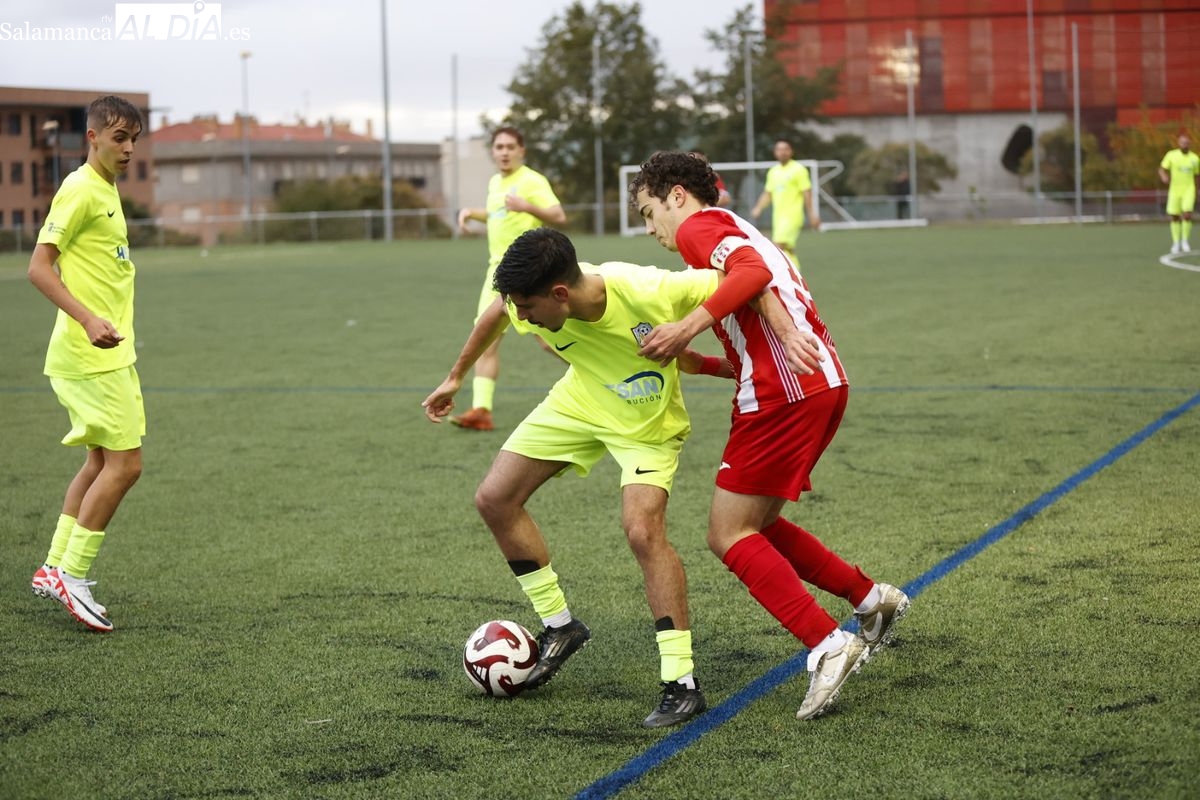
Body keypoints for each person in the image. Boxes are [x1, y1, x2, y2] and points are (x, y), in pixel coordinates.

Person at [628, 150, 910, 721]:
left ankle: (827, 644)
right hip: (819, 384)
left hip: (783, 397)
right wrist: (697, 359)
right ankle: (870, 600)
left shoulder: (699, 228)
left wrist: (685, 324)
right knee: (758, 525)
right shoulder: (735, 228)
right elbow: (755, 307)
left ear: (676, 195)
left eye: (648, 210)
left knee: (727, 534)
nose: (649, 226)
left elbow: (753, 274)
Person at [423, 227, 722, 728]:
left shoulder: (648, 289)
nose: (521, 316)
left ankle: (682, 682)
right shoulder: (527, 302)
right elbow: (497, 309)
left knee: (642, 531)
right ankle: (560, 627)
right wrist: (456, 376)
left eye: (528, 306)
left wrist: (741, 351)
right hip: (579, 403)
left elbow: (748, 276)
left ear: (559, 294)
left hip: (646, 424)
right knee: (494, 498)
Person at [27, 96, 147, 633]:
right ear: (92, 137)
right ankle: (71, 576)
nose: (128, 148)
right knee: (126, 466)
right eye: (119, 137)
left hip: (107, 354)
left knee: (100, 464)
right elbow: (38, 267)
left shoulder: (106, 189)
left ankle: (54, 565)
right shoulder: (78, 189)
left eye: (134, 139)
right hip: (91, 356)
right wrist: (87, 319)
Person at [453, 127, 566, 431]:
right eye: (499, 147)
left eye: (510, 147)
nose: (503, 152)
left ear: (521, 151)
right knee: (486, 339)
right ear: (493, 151)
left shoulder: (532, 180)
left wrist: (528, 206)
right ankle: (481, 410)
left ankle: (605, 374)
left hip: (528, 271)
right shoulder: (495, 182)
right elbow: (497, 215)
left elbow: (558, 216)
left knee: (548, 341)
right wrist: (470, 213)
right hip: (496, 273)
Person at [749, 139, 820, 266]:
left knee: (778, 246)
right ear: (775, 153)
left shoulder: (798, 169)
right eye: (779, 150)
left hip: (793, 216)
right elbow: (768, 193)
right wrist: (758, 208)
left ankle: (789, 278)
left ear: (791, 151)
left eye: (785, 149)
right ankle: (796, 274)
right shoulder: (773, 172)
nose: (782, 152)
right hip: (778, 218)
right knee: (785, 249)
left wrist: (812, 215)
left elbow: (807, 193)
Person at [1158, 133, 1199, 254]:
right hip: (1175, 190)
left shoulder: (1195, 159)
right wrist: (1164, 176)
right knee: (1175, 216)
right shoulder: (1171, 155)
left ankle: (1185, 241)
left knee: (1187, 214)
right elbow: (1161, 169)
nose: (1184, 145)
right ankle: (1176, 242)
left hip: (1189, 189)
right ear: (1178, 143)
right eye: (1182, 142)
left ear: (1189, 144)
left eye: (1186, 143)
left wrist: (1196, 190)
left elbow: (1197, 176)